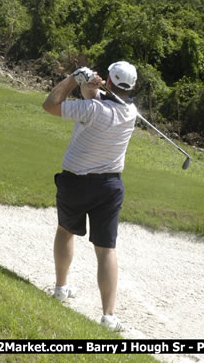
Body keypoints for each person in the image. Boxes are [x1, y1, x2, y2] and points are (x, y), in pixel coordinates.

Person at [42, 61, 138, 332]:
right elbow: (97, 98)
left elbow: (50, 104)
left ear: (108, 81)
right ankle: (108, 316)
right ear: (133, 87)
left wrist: (74, 78)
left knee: (65, 230)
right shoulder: (131, 112)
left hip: (74, 182)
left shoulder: (93, 109)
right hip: (109, 187)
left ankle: (61, 287)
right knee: (106, 249)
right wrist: (93, 86)